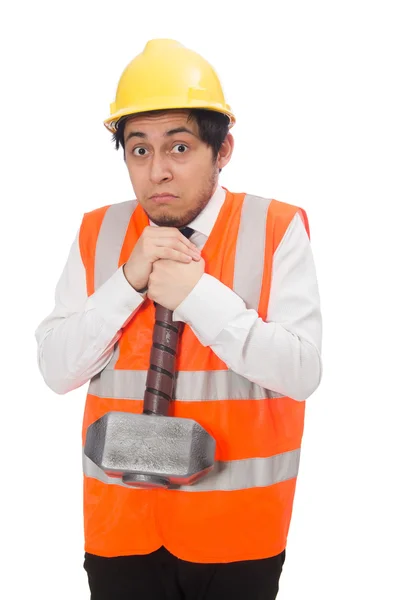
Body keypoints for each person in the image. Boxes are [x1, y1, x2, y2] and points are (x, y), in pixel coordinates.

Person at [35, 39, 322, 600]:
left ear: (224, 150)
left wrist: (197, 295)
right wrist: (127, 282)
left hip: (239, 532)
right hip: (121, 530)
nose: (158, 172)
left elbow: (301, 372)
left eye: (180, 147)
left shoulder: (275, 228)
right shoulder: (98, 233)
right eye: (138, 151)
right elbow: (55, 370)